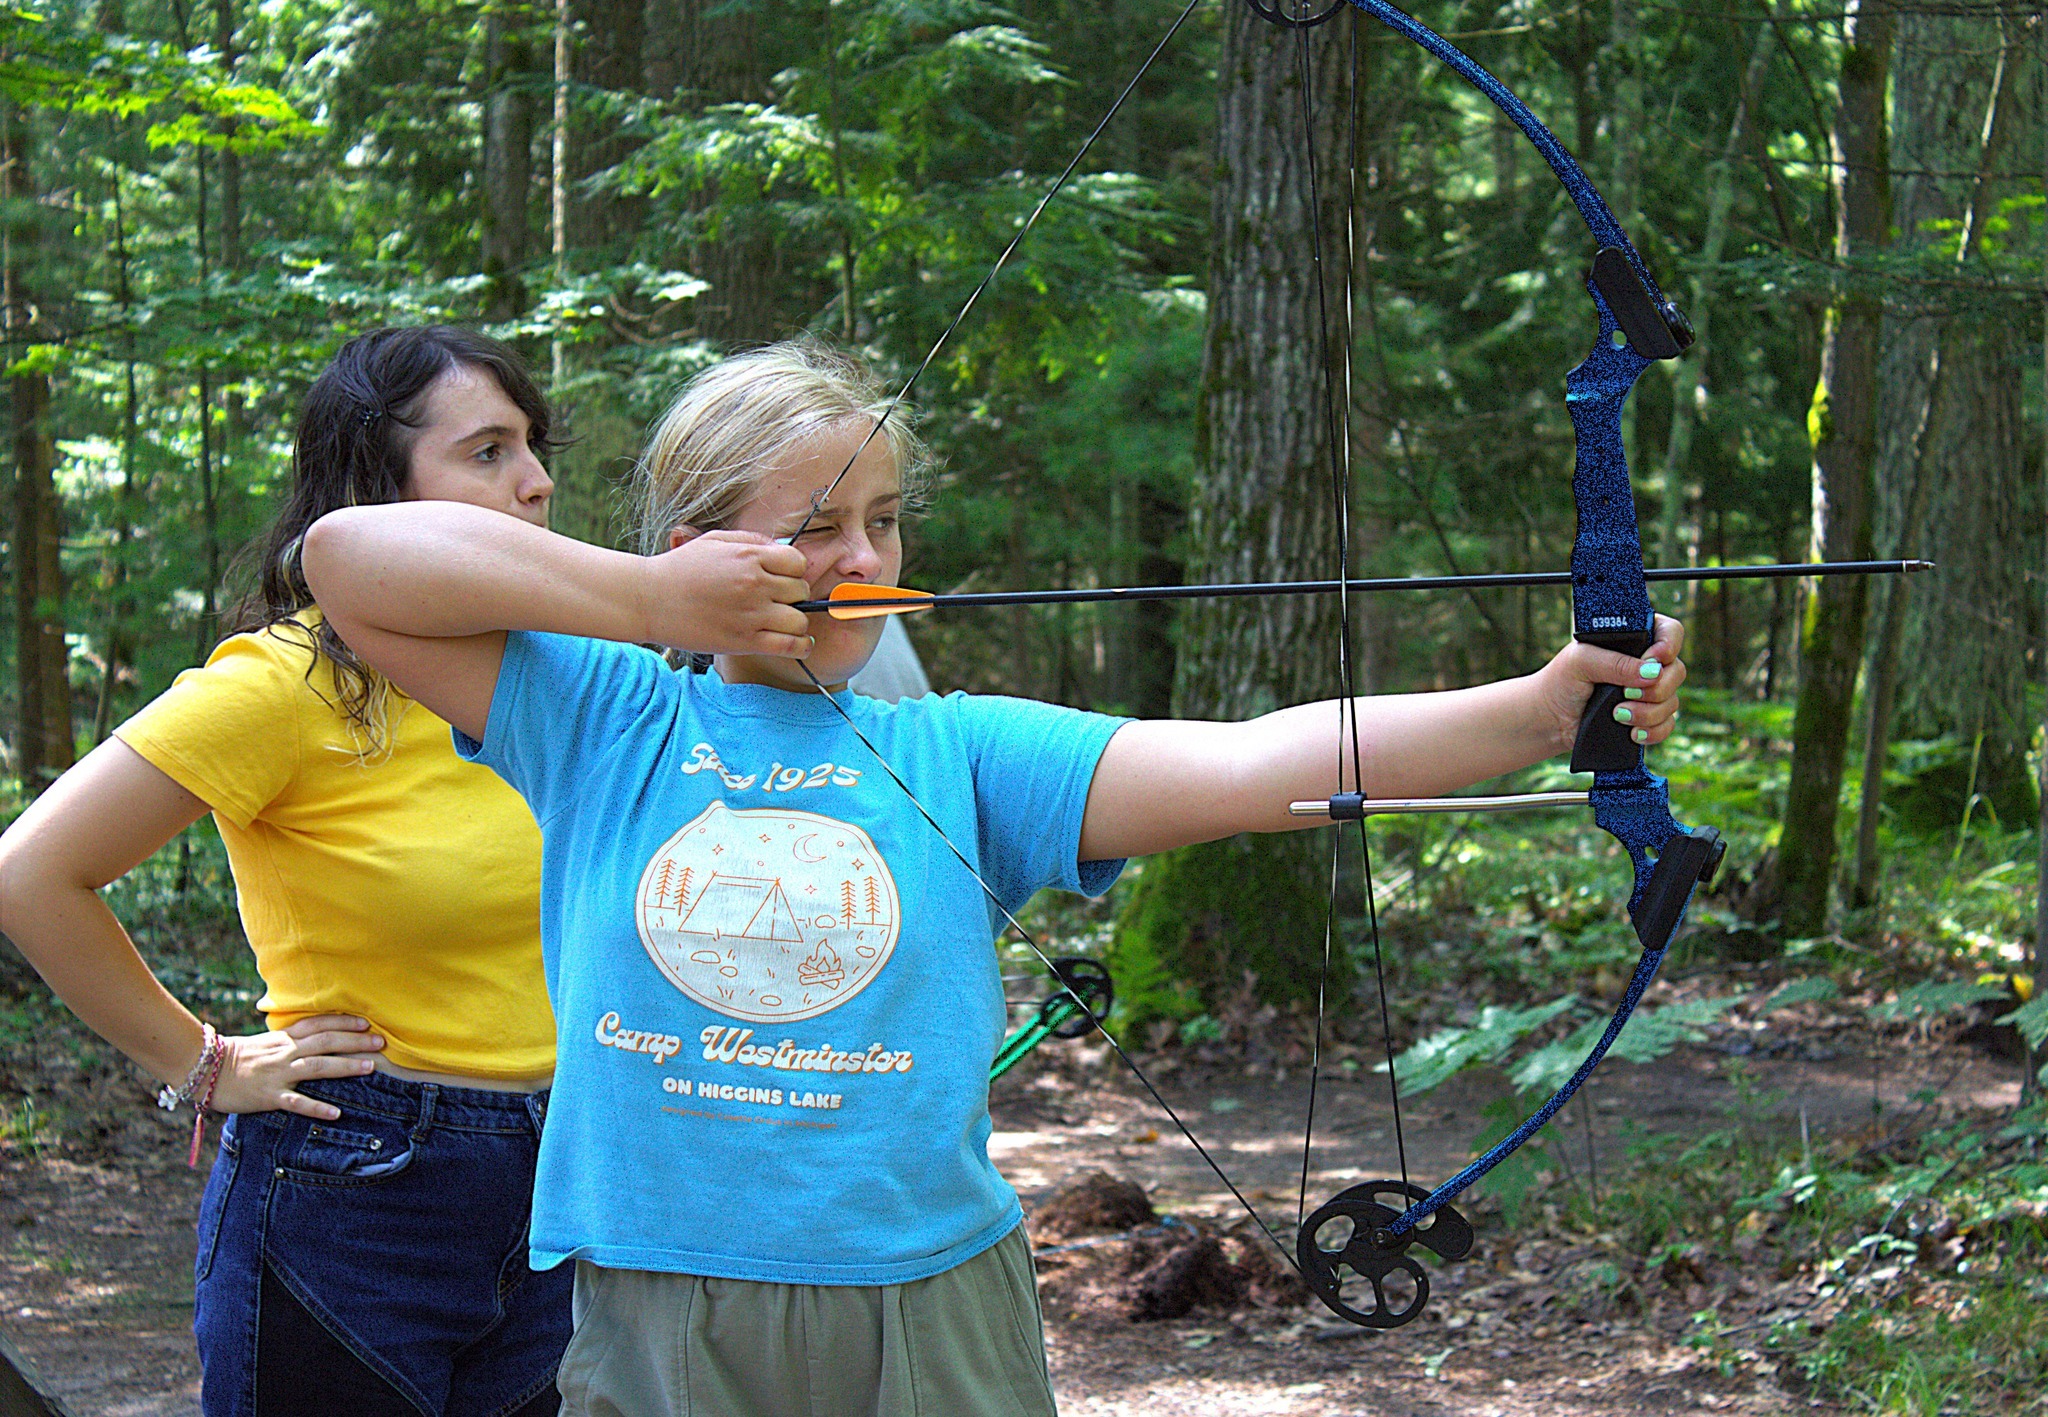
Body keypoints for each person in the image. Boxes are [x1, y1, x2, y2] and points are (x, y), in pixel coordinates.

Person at [297, 339, 1687, 1417]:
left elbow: (1258, 759)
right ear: (703, 550)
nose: (862, 559)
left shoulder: (961, 754)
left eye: (885, 524)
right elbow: (346, 560)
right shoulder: (605, 719)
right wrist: (647, 607)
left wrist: (1538, 709)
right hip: (669, 1296)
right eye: (818, 525)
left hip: (930, 1296)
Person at [0, 327, 765, 1417]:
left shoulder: (577, 688)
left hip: (576, 1185)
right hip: (356, 1183)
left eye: (533, 445)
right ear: (378, 480)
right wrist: (203, 1064)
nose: (538, 480)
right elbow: (30, 872)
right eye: (488, 451)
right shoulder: (288, 684)